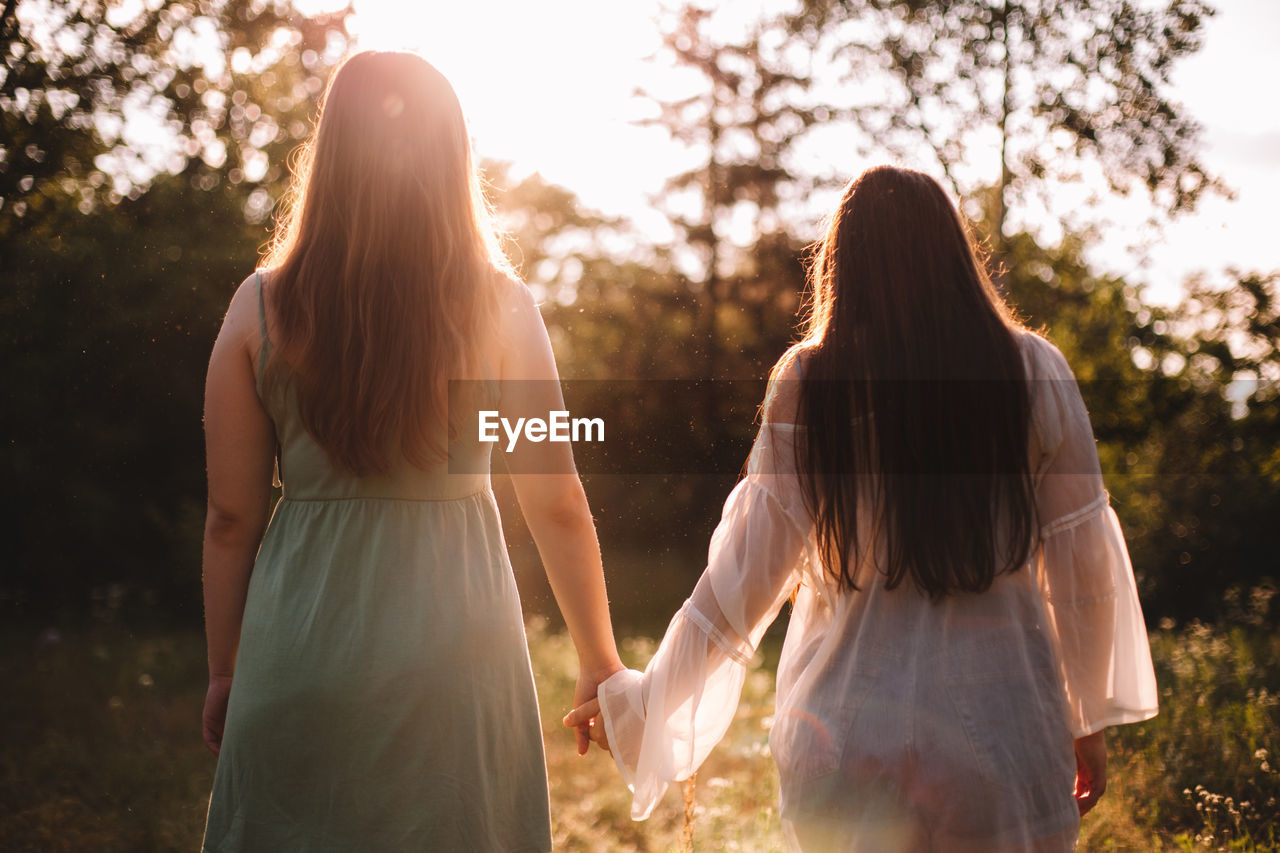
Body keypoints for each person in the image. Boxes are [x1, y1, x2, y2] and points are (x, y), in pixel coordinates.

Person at [564, 165, 1159, 851]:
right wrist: (1087, 721)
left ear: (843, 268)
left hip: (846, 743)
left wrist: (642, 707)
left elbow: (738, 585)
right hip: (1004, 741)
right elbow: (1084, 573)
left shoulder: (812, 385)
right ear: (955, 255)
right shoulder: (1035, 371)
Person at [200, 50, 623, 852]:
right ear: (451, 157)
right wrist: (600, 659)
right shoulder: (502, 306)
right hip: (455, 657)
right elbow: (556, 499)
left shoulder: (257, 307)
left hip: (297, 645)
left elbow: (230, 517)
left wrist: (227, 669)